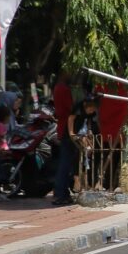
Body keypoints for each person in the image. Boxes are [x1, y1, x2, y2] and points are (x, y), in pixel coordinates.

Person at [52, 72, 75, 205]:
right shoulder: (63, 89)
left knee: (65, 162)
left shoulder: (57, 88)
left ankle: (62, 192)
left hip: (63, 126)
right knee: (65, 163)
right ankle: (61, 193)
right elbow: (70, 108)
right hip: (67, 127)